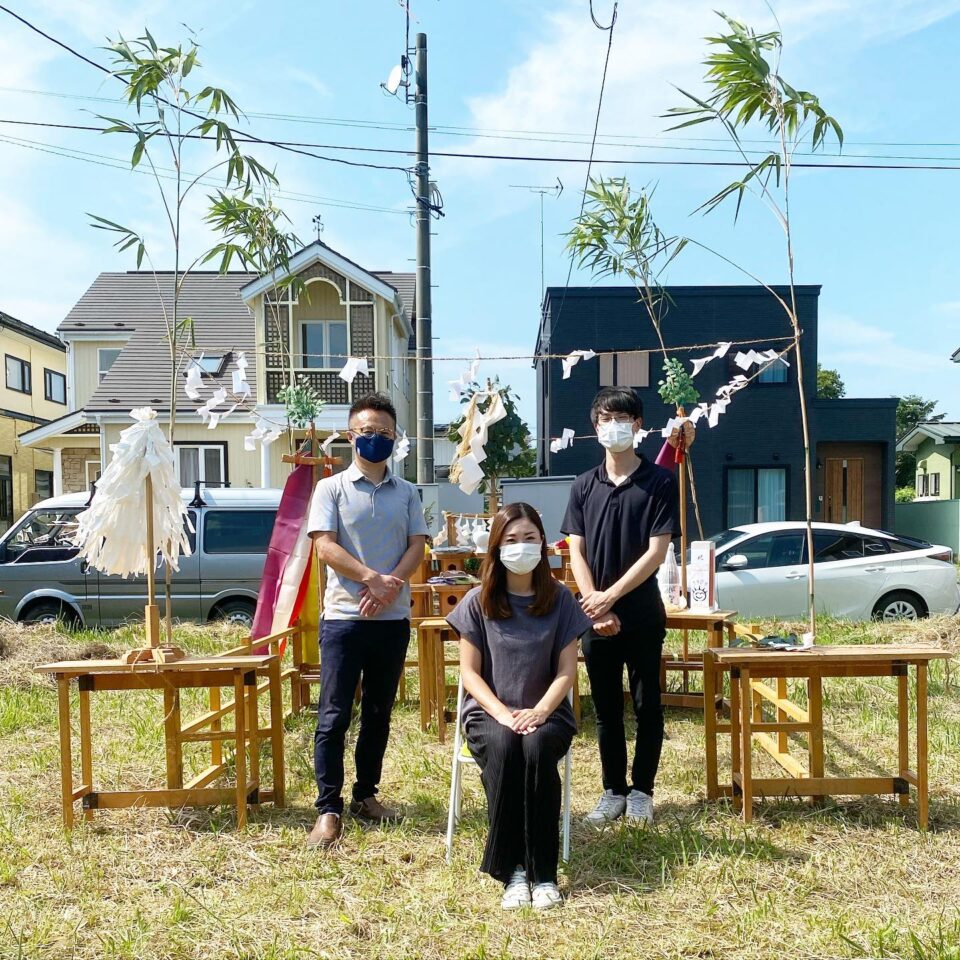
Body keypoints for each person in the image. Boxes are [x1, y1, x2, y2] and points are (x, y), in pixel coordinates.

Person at [446, 502, 593, 911]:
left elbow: (566, 672)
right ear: (496, 548)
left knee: (534, 748)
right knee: (507, 746)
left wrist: (540, 712)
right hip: (489, 712)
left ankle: (542, 872)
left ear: (543, 544)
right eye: (511, 540)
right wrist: (503, 713)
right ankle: (512, 869)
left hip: (548, 713)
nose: (521, 547)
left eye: (530, 538)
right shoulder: (478, 602)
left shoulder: (561, 600)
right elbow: (470, 674)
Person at [305, 392, 429, 848]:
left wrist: (391, 583)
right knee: (334, 714)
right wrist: (370, 579)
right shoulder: (330, 489)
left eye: (384, 433)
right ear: (351, 435)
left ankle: (366, 795)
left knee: (379, 712)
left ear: (395, 439)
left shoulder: (408, 492)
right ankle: (328, 809)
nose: (375, 439)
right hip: (343, 618)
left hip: (392, 619)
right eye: (366, 431)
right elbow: (325, 546)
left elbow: (418, 545)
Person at [561, 386, 681, 827]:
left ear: (638, 426)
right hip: (594, 617)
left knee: (648, 704)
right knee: (606, 708)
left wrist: (610, 597)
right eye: (606, 419)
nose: (614, 426)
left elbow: (656, 552)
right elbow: (576, 549)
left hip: (643, 614)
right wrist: (595, 605)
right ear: (595, 428)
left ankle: (642, 791)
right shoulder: (583, 486)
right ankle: (612, 790)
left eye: (623, 419)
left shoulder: (659, 482)